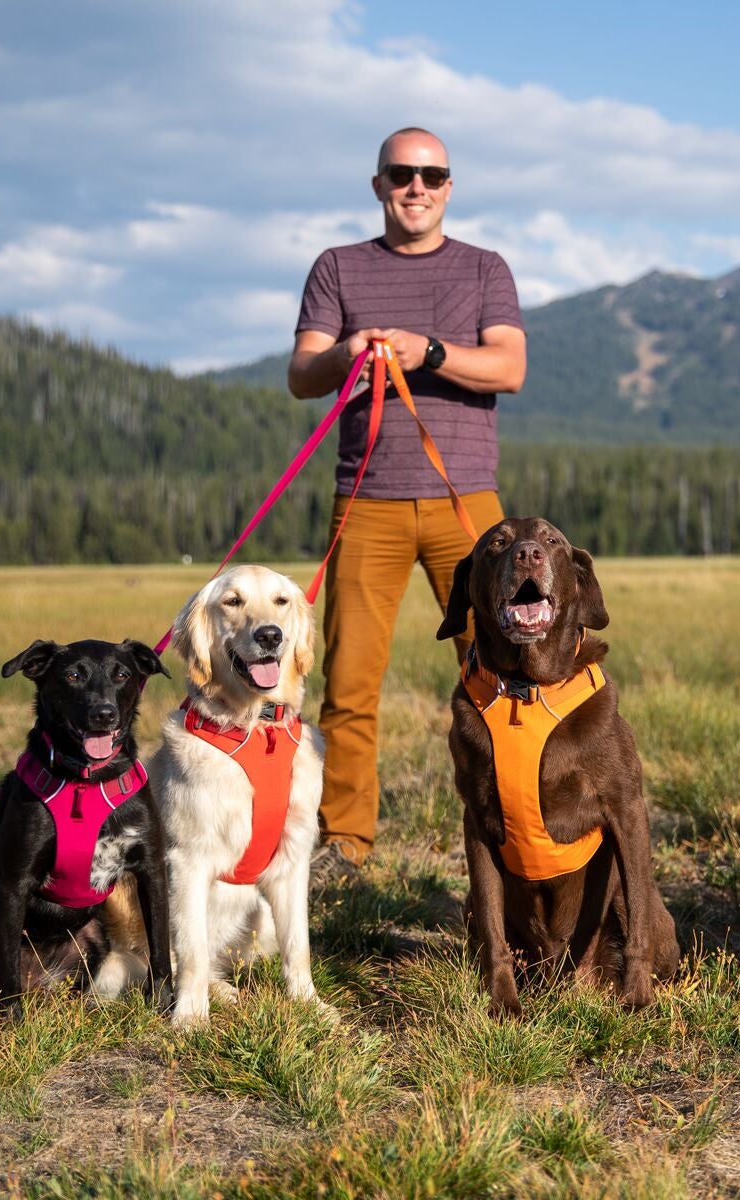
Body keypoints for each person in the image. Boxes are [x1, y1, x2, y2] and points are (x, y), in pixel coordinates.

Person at [288, 127, 527, 882]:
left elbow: (509, 368)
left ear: (449, 187)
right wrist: (347, 352)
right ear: (379, 184)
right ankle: (345, 844)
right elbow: (302, 374)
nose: (416, 186)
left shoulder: (485, 269)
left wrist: (429, 352)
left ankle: (515, 826)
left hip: (468, 505)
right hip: (367, 502)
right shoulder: (338, 267)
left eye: (431, 174)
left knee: (501, 673)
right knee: (349, 684)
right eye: (402, 173)